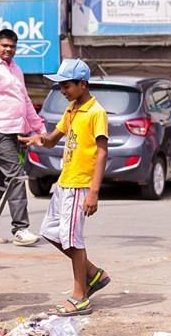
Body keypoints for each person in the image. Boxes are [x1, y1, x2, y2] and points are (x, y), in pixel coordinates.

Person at [20, 59, 111, 316]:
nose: (62, 90)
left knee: (73, 239)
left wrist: (94, 191)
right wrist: (39, 139)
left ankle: (80, 296)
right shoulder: (72, 109)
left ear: (83, 84)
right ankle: (92, 273)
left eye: (66, 85)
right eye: (60, 86)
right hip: (64, 182)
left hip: (80, 185)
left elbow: (102, 153)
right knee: (50, 232)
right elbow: (53, 139)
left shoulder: (96, 113)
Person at [0, 29, 45, 246]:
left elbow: (24, 101)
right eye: (4, 45)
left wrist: (38, 127)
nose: (8, 50)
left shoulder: (16, 69)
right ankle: (20, 229)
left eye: (12, 46)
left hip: (14, 132)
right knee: (16, 175)